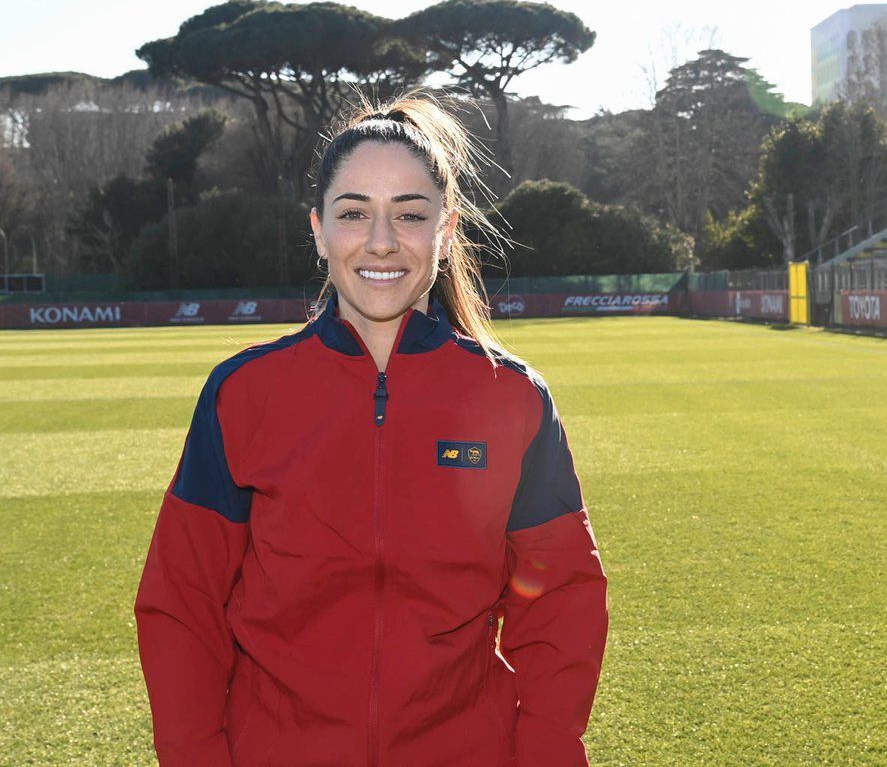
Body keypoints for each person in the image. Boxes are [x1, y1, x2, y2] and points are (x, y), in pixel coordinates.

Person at [133, 91, 610, 767]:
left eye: (409, 214)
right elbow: (183, 605)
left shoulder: (512, 398)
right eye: (354, 213)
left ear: (446, 230)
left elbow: (561, 602)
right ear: (319, 230)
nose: (381, 241)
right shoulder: (243, 394)